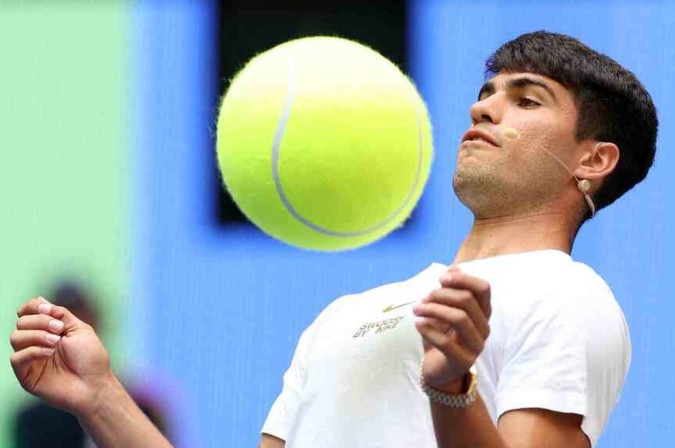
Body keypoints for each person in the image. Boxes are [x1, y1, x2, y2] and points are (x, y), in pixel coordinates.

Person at [9, 31, 657, 448]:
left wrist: (449, 387)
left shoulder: (568, 297)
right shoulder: (344, 316)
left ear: (592, 161)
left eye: (526, 99)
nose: (481, 108)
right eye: (485, 91)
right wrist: (100, 397)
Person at [11, 282, 171, 448]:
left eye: (77, 325)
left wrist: (99, 391)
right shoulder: (31, 420)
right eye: (57, 326)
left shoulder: (144, 410)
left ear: (96, 324)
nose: (68, 341)